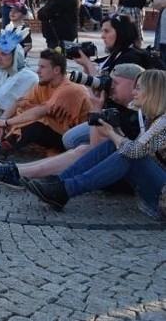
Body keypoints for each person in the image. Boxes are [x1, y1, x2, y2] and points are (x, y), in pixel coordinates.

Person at [21, 69, 166, 219]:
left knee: (126, 155)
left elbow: (134, 152)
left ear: (153, 91)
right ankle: (58, 183)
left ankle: (65, 191)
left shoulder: (163, 122)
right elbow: (136, 148)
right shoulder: (151, 117)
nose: (134, 92)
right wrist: (115, 133)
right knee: (113, 145)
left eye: (139, 88)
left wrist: (111, 133)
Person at [0, 63, 145, 188]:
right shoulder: (120, 105)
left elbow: (97, 150)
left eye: (115, 83)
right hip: (114, 162)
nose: (110, 86)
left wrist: (97, 109)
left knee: (82, 149)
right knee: (77, 144)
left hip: (130, 175)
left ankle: (19, 174)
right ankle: (18, 170)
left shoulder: (138, 115)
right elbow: (20, 101)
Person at [0, 50, 90, 157]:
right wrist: (1, 121)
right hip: (55, 129)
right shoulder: (44, 84)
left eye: (42, 67)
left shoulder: (69, 89)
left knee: (37, 122)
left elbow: (38, 113)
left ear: (56, 70)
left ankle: (5, 146)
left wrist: (6, 122)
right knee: (19, 115)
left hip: (73, 139)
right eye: (38, 66)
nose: (37, 71)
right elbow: (20, 103)